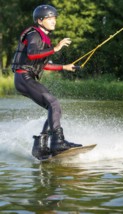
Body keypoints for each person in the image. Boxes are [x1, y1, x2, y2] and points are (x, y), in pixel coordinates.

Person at [12, 4, 82, 160]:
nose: (53, 21)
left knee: (54, 108)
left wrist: (65, 67)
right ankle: (58, 142)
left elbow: (43, 64)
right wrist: (56, 49)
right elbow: (31, 55)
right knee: (54, 104)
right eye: (49, 18)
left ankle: (41, 146)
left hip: (26, 78)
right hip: (24, 77)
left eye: (54, 18)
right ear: (40, 20)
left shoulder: (43, 38)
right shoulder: (34, 34)